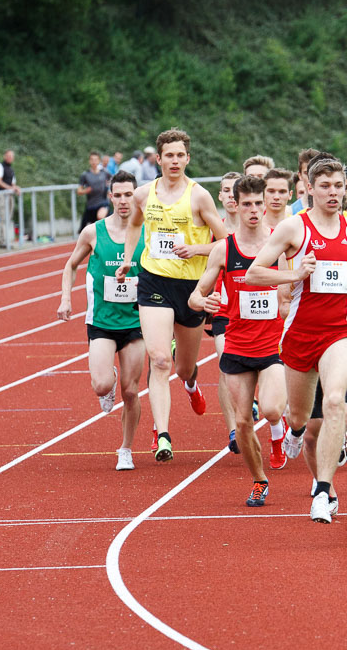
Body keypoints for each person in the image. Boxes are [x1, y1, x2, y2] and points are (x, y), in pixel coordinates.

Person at [246, 156, 347, 523]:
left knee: (336, 402)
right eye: (325, 186)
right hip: (300, 335)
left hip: (341, 331)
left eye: (339, 186)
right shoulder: (293, 228)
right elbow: (254, 273)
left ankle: (322, 491)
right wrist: (292, 274)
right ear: (309, 188)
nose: (333, 193)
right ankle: (296, 431)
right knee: (302, 422)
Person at [116, 128, 226, 463]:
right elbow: (134, 225)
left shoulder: (199, 197)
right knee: (160, 360)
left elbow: (225, 243)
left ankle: (191, 384)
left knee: (183, 368)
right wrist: (128, 257)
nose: (174, 161)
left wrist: (195, 248)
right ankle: (162, 434)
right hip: (154, 282)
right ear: (159, 159)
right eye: (169, 155)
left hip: (192, 289)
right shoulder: (144, 194)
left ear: (187, 158)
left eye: (180, 155)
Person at [189, 175, 289, 506]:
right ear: (234, 205)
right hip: (237, 345)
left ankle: (278, 433)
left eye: (259, 203)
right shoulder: (224, 249)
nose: (254, 210)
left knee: (273, 408)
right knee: (244, 422)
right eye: (246, 204)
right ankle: (260, 480)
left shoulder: (278, 245)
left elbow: (290, 294)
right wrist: (205, 303)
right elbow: (195, 296)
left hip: (273, 343)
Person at [57, 171, 146, 470]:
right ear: (109, 196)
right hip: (102, 322)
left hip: (136, 322)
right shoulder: (93, 232)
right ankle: (107, 379)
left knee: (132, 391)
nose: (123, 201)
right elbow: (70, 266)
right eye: (118, 195)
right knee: (100, 385)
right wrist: (66, 299)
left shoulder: (148, 231)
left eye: (128, 194)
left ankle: (126, 448)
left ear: (137, 196)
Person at [212, 171, 242, 452]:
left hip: (258, 310)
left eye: (236, 190)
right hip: (223, 309)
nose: (231, 195)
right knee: (226, 364)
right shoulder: (212, 230)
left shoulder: (262, 229)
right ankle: (234, 430)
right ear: (220, 196)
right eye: (226, 190)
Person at [0, 149, 21, 242]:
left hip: (9, 196)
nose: (10, 158)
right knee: (3, 218)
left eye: (11, 156)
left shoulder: (11, 169)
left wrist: (16, 188)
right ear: (4, 156)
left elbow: (12, 184)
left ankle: (6, 239)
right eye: (8, 156)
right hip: (1, 196)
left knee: (8, 218)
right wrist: (10, 188)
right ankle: (3, 240)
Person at [77, 151, 109, 231]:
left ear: (99, 161)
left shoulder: (104, 173)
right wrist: (85, 191)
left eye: (96, 160)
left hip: (103, 202)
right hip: (91, 205)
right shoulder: (85, 175)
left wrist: (110, 192)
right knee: (85, 231)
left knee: (101, 217)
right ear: (89, 161)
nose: (94, 162)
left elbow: (113, 181)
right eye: (92, 160)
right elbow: (79, 191)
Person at [289, 148, 319, 214]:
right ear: (300, 175)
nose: (310, 177)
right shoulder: (291, 211)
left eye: (315, 173)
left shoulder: (332, 208)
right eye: (306, 173)